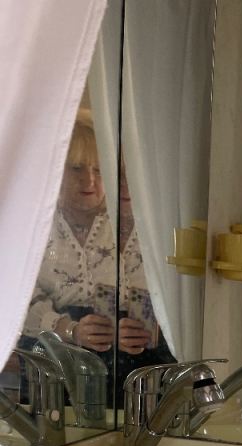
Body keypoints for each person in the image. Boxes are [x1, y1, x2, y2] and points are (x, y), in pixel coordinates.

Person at [21, 115, 174, 395]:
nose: (89, 180)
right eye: (76, 168)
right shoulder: (36, 225)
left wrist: (144, 330)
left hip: (130, 371)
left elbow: (163, 296)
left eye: (100, 170)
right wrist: (69, 329)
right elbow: (19, 299)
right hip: (54, 364)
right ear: (56, 168)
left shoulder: (130, 226)